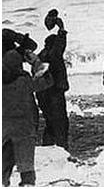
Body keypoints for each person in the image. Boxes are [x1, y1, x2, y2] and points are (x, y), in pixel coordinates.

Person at [3, 44, 54, 186]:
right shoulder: (23, 81)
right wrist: (36, 62)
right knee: (27, 168)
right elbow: (47, 81)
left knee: (4, 166)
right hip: (24, 129)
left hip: (4, 129)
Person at [36, 9, 70, 150]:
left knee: (50, 123)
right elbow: (59, 48)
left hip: (42, 94)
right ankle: (62, 150)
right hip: (54, 93)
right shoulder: (53, 55)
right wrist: (61, 28)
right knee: (61, 123)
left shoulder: (41, 56)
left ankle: (47, 149)